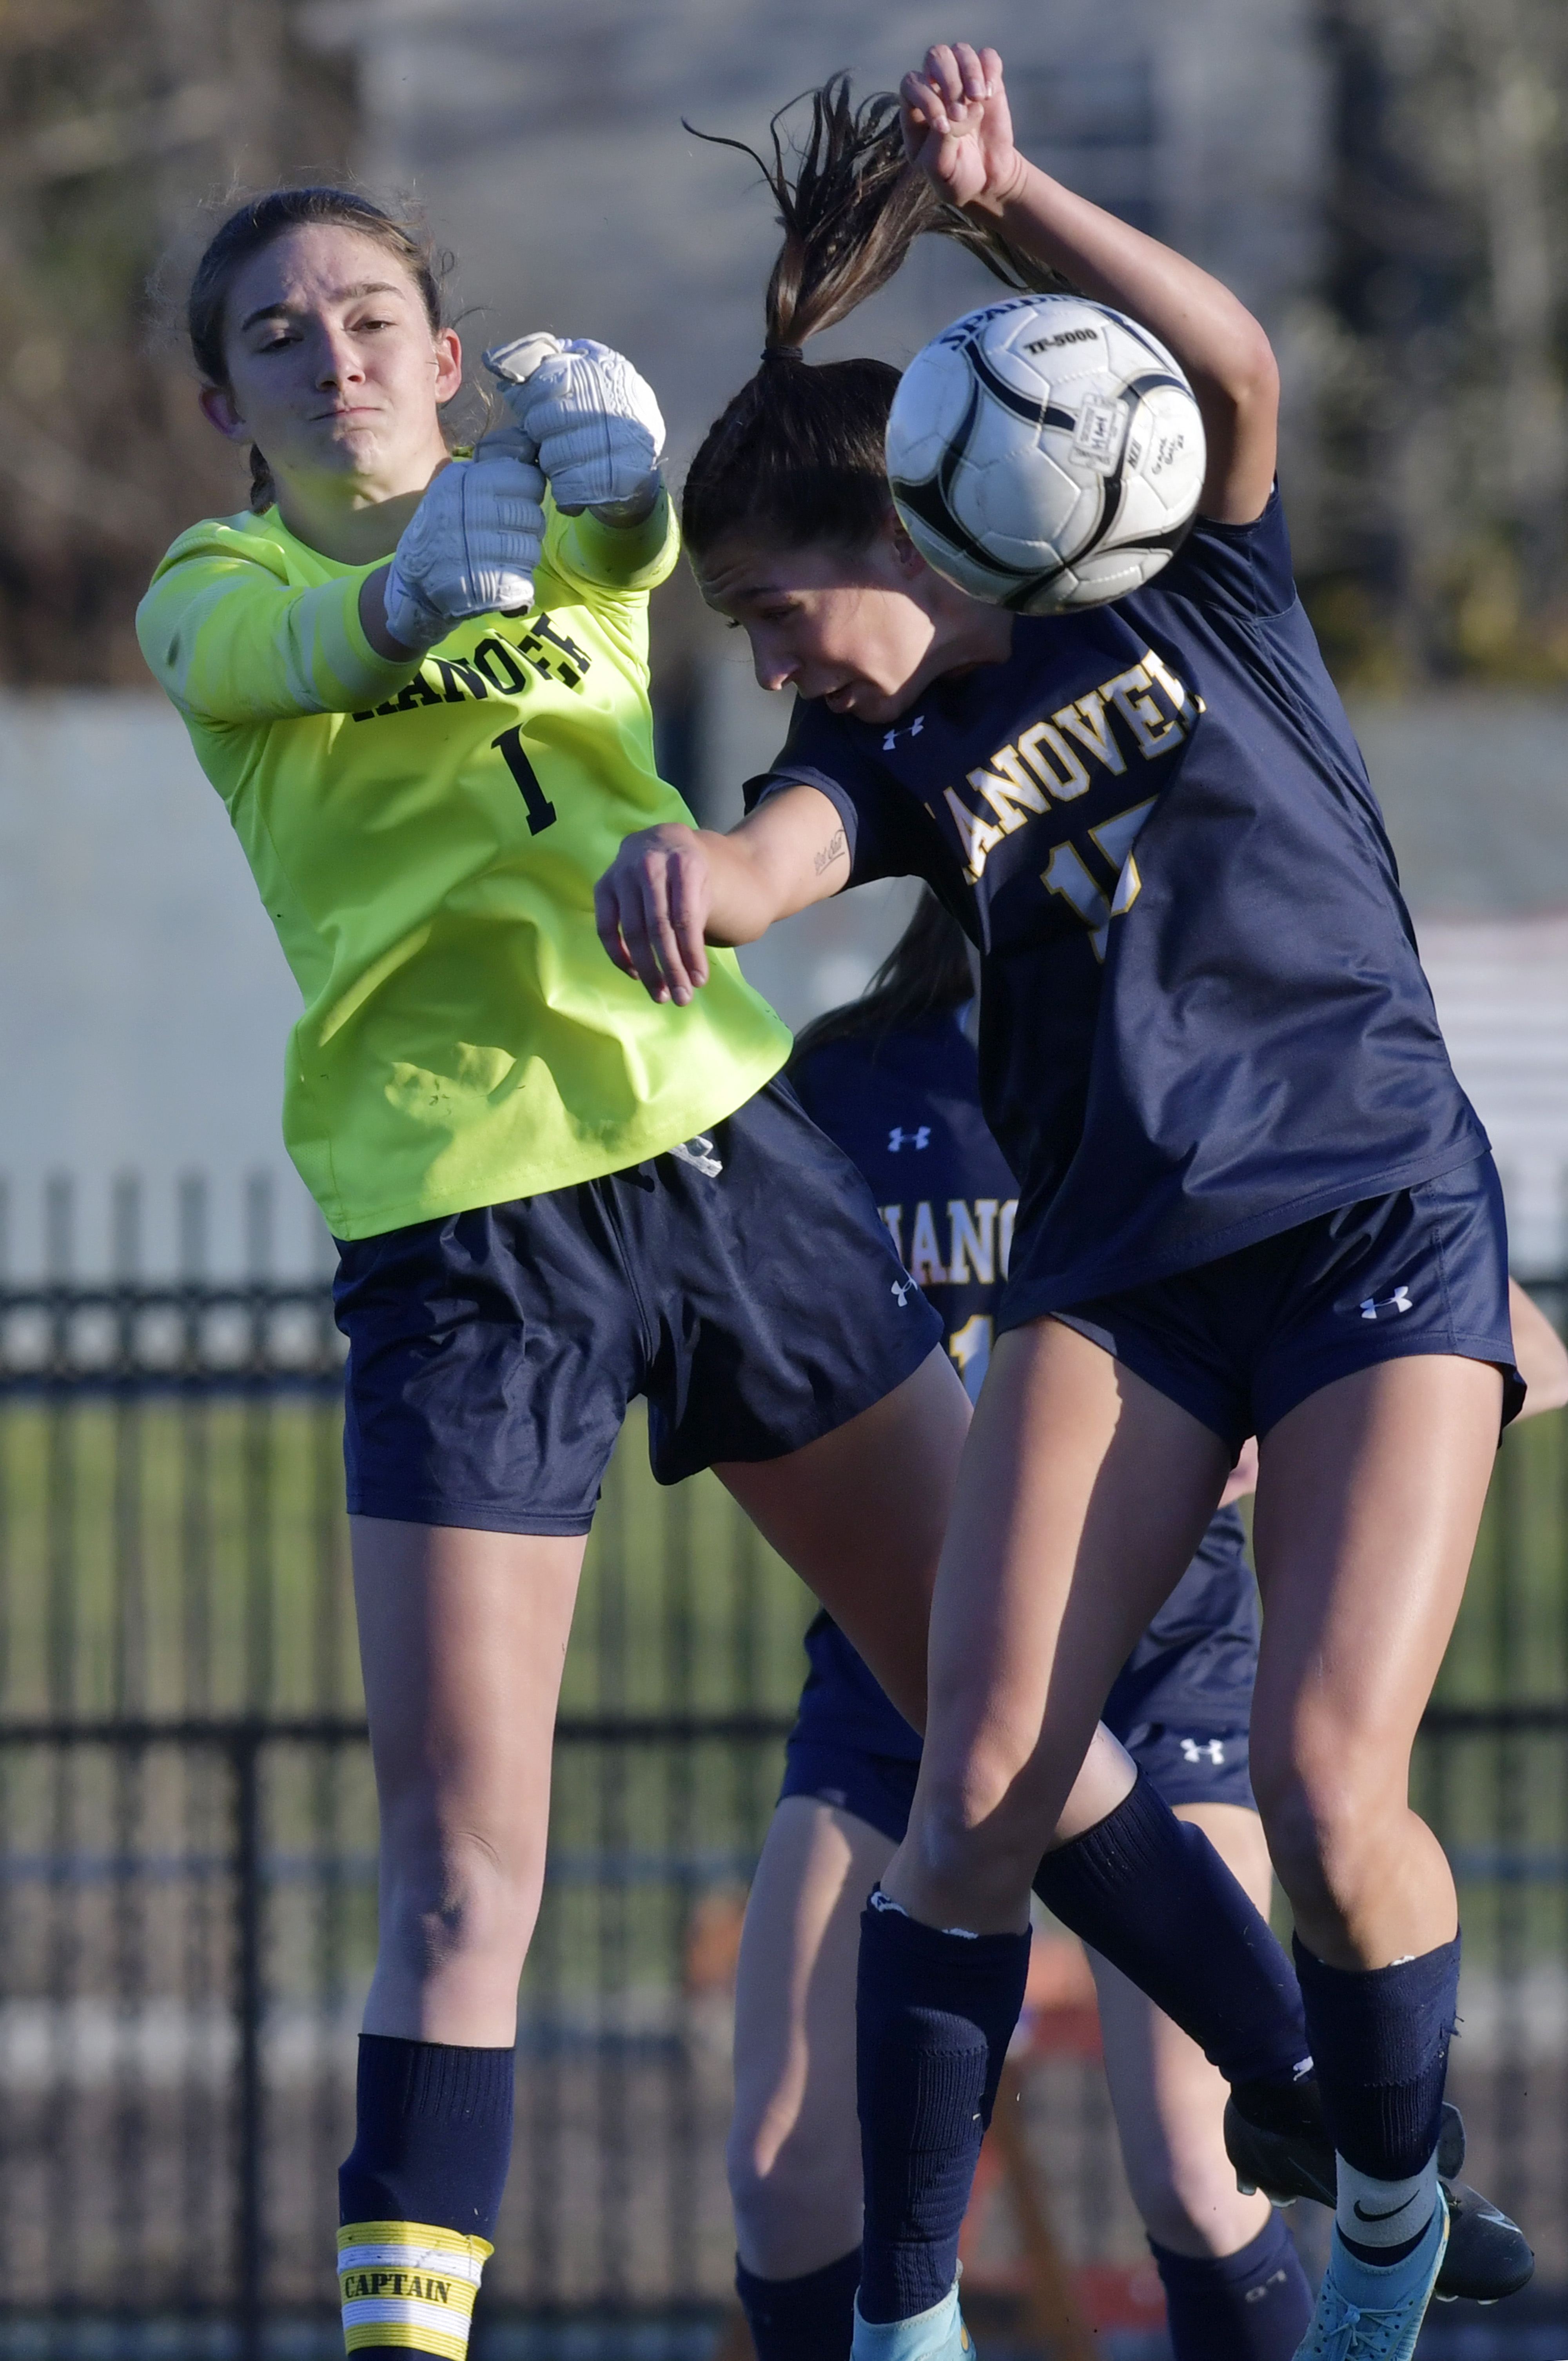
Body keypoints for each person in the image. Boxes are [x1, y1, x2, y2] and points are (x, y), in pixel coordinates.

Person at [136, 183, 1347, 2361]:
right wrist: (414, 580)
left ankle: (1356, 2122)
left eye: (376, 315)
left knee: (1013, 1735)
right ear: (222, 395)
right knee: (457, 1877)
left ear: (439, 346)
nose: (336, 356)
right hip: (467, 1228)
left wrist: (609, 437)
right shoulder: (213, 587)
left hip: (723, 1158)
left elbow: (628, 546)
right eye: (281, 336)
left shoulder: (557, 532)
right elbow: (319, 649)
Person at [596, 46, 1543, 2361]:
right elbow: (791, 851)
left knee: (1335, 1794)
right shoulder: (879, 757)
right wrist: (711, 869)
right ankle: (912, 2328)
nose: (770, 660)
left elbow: (1226, 365)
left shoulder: (1184, 580)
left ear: (906, 534)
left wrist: (1019, 213)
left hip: (1367, 1223)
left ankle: (1394, 2209)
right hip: (1124, 1277)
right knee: (979, 1788)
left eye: (772, 608)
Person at [726, 893, 1566, 2361]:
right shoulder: (841, 1085)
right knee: (786, 2178)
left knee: (1196, 2157)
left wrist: (1294, 1405)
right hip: (907, 1676)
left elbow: (1511, 1343)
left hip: (1170, 1665)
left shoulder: (1198, 1079)